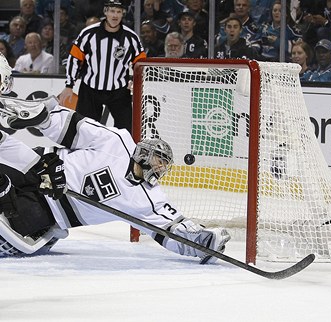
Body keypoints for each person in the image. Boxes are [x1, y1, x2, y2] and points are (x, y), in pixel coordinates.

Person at [0, 56, 231, 261]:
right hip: (38, 168)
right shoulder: (117, 141)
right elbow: (72, 128)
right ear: (145, 151)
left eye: (163, 165)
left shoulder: (148, 200)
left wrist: (202, 242)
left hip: (49, 210)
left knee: (15, 218)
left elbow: (171, 229)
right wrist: (43, 118)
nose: (159, 166)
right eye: (159, 158)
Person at [59, 0, 146, 133]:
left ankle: (123, 153)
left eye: (118, 12)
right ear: (105, 12)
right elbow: (75, 58)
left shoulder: (131, 38)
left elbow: (140, 63)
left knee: (127, 129)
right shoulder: (88, 33)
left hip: (119, 90)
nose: (115, 15)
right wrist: (69, 85)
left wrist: (135, 81)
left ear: (123, 14)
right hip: (90, 89)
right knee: (84, 129)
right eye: (112, 11)